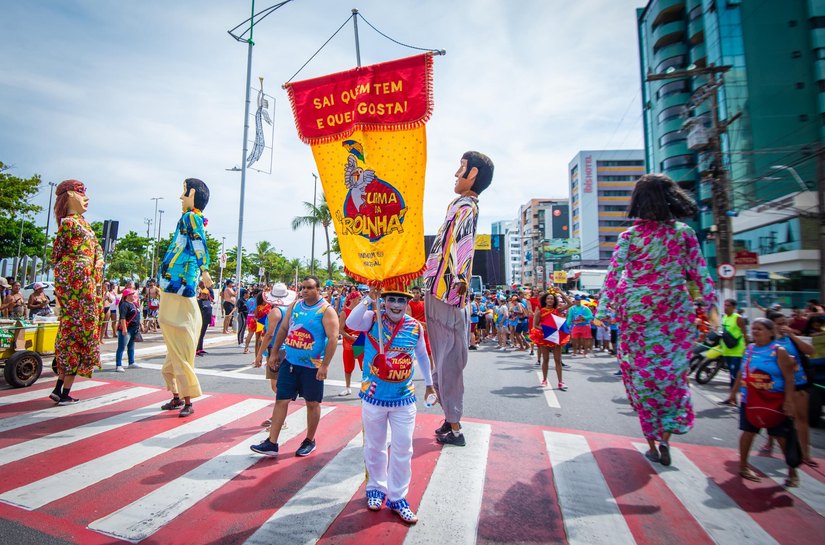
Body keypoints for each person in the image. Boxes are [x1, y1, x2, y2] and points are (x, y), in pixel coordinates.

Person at [596, 173, 715, 466]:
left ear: (638, 201)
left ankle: (652, 439)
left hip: (636, 314)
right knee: (671, 376)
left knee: (640, 378)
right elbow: (701, 275)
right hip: (674, 313)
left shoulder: (630, 236)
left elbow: (614, 274)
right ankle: (665, 437)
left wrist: (602, 310)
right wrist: (715, 314)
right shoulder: (684, 233)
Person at [422, 151, 494, 447]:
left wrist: (459, 282)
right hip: (444, 289)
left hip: (446, 292)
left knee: (449, 358)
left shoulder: (465, 205)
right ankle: (450, 419)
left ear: (473, 173)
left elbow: (463, 244)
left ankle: (454, 425)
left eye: (461, 168)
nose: (455, 173)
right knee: (445, 357)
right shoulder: (462, 204)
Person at [346, 288, 435, 524]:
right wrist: (369, 299)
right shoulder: (372, 317)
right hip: (373, 396)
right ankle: (376, 488)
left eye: (401, 300)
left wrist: (429, 384)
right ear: (384, 301)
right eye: (391, 299)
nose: (396, 305)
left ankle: (398, 497)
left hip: (403, 398)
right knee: (375, 447)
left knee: (403, 448)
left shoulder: (415, 326)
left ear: (408, 303)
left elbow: (423, 356)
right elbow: (351, 322)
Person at [250, 275, 339, 457]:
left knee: (312, 403)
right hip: (290, 362)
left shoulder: (326, 310)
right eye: (303, 287)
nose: (305, 290)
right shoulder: (295, 306)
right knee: (281, 400)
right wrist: (274, 353)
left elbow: (332, 338)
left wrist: (325, 365)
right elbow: (283, 330)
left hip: (313, 366)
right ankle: (272, 443)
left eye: (309, 287)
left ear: (318, 289)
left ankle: (309, 440)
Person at [157, 178, 212, 418]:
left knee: (179, 346)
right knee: (174, 348)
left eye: (184, 193)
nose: (181, 198)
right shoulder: (188, 218)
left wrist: (205, 270)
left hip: (179, 287)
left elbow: (198, 242)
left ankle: (188, 400)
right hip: (174, 286)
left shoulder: (191, 217)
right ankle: (177, 397)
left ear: (193, 196)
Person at [50, 179, 105, 404]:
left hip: (87, 285)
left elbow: (98, 249)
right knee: (75, 334)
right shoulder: (69, 224)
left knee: (78, 334)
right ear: (70, 195)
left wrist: (98, 260)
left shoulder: (84, 224)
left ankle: (61, 389)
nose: (86, 197)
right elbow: (57, 255)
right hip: (77, 286)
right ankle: (62, 391)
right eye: (81, 193)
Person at [727, 318, 799, 486]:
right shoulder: (749, 349)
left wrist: (789, 401)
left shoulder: (778, 351)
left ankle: (792, 472)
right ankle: (743, 466)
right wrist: (733, 393)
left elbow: (789, 378)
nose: (756, 331)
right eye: (754, 328)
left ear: (771, 332)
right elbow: (741, 373)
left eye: (760, 329)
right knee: (748, 432)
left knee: (780, 436)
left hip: (774, 400)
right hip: (750, 399)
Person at [763, 311, 818, 468]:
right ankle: (770, 441)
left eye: (784, 323)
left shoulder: (790, 339)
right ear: (771, 325)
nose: (783, 326)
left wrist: (792, 335)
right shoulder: (767, 344)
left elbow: (810, 351)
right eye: (779, 323)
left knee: (801, 419)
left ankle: (806, 454)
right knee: (776, 418)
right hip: (777, 387)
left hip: (799, 384)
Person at [254, 283, 297, 429]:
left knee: (277, 386)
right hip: (286, 348)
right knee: (279, 385)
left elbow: (269, 334)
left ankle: (280, 418)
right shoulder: (289, 309)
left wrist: (259, 354)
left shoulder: (275, 312)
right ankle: (277, 417)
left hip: (277, 350)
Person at [530, 289, 572, 389]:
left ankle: (560, 382)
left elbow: (570, 303)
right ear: (545, 300)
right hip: (545, 337)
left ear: (554, 301)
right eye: (548, 298)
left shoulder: (557, 310)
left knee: (558, 360)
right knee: (546, 359)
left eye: (552, 299)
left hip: (556, 337)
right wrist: (546, 329)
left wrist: (561, 292)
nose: (550, 300)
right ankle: (544, 379)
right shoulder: (540, 311)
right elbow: (535, 325)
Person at [719, 298, 748, 396]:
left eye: (728, 306)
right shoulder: (724, 317)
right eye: (725, 305)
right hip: (727, 350)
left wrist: (747, 349)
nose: (726, 307)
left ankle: (733, 397)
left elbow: (745, 334)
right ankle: (733, 397)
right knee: (731, 374)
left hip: (737, 351)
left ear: (734, 307)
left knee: (734, 376)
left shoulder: (738, 318)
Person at [338, 290, 365, 396]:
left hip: (360, 342)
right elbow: (340, 330)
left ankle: (365, 388)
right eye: (359, 299)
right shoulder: (344, 312)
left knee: (364, 367)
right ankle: (348, 387)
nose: (360, 300)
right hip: (348, 343)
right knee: (348, 366)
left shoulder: (363, 311)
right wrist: (349, 337)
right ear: (353, 300)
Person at [115, 288, 141, 372]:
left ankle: (131, 362)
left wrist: (141, 325)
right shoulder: (124, 305)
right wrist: (124, 329)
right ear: (127, 295)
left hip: (134, 329)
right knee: (121, 347)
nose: (134, 295)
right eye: (132, 294)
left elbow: (137, 315)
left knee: (131, 346)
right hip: (127, 329)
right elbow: (122, 318)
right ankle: (118, 365)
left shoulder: (135, 304)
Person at [196, 280, 214, 356]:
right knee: (199, 335)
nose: (205, 295)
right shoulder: (199, 302)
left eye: (206, 294)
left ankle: (200, 348)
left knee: (202, 335)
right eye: (203, 294)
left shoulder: (208, 301)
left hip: (206, 320)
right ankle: (196, 349)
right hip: (201, 320)